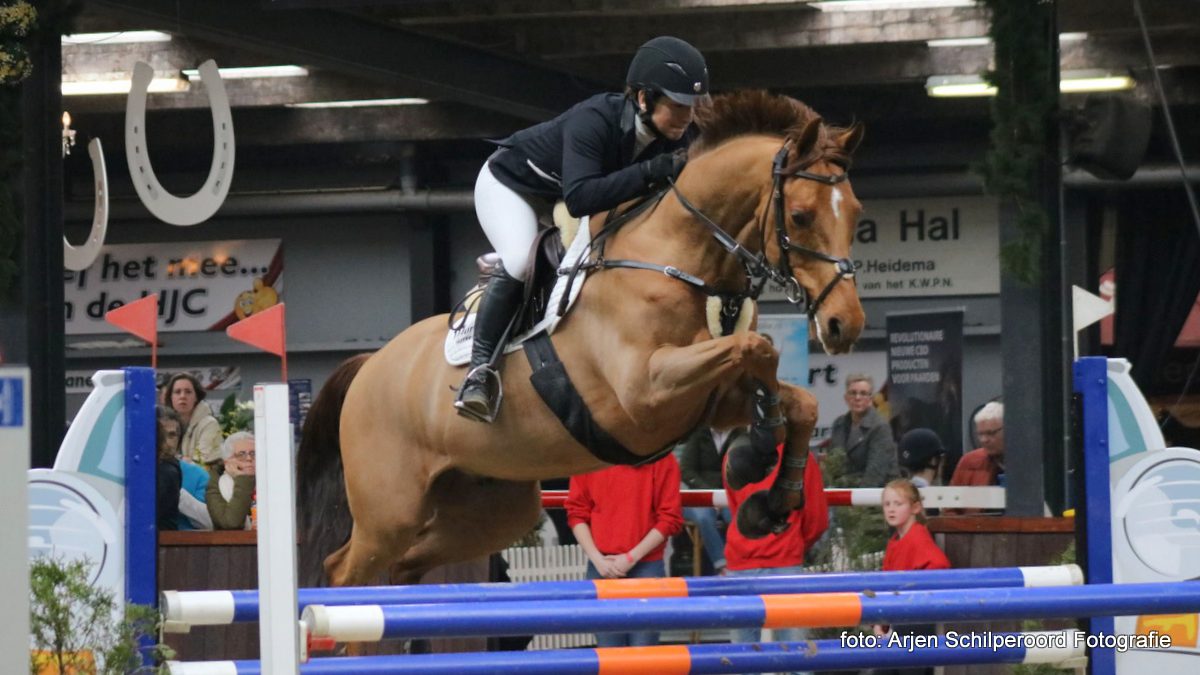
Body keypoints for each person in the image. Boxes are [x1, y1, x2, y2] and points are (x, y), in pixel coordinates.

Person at [455, 36, 710, 422]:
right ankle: (479, 373)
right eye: (677, 105)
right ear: (643, 98)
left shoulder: (678, 137)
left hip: (563, 201)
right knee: (522, 261)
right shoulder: (594, 119)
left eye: (692, 107)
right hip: (513, 187)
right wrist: (649, 172)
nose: (687, 117)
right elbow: (581, 198)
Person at [723, 441, 828, 675]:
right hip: (784, 565)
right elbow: (817, 518)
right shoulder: (801, 458)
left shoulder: (734, 453)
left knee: (742, 660)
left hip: (743, 563)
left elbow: (737, 510)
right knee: (799, 658)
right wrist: (794, 544)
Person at [565, 455, 684, 647]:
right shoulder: (588, 456)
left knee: (638, 657)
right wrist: (600, 559)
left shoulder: (662, 459)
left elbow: (670, 518)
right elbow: (576, 513)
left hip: (629, 565)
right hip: (610, 565)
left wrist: (616, 558)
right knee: (615, 655)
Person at [874, 478, 951, 675]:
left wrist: (913, 597)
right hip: (903, 619)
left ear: (915, 507)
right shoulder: (897, 540)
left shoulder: (917, 537)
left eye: (898, 504)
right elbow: (886, 585)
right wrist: (883, 621)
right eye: (887, 504)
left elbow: (939, 567)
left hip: (915, 622)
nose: (891, 509)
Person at [674, 425, 745, 574]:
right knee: (704, 517)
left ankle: (741, 562)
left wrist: (726, 494)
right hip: (700, 496)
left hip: (730, 494)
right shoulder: (698, 434)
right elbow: (686, 470)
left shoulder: (741, 434)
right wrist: (709, 494)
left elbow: (743, 470)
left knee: (736, 518)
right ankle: (722, 566)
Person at [826, 374, 899, 488]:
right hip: (844, 492)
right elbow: (834, 466)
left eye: (863, 393)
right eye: (853, 393)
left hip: (877, 495)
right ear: (846, 397)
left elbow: (875, 474)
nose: (857, 398)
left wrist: (856, 503)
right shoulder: (839, 424)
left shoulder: (880, 427)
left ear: (870, 399)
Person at [158, 406, 212, 530]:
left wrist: (174, 492)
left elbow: (210, 522)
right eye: (160, 435)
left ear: (180, 439)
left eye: (172, 435)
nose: (165, 442)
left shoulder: (198, 474)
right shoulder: (138, 472)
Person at [162, 373, 222, 465]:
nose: (182, 396)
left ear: (196, 397)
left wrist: (176, 460)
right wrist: (183, 459)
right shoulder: (165, 424)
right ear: (171, 397)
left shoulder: (209, 424)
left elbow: (202, 462)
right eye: (177, 392)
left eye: (188, 392)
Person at [206, 431, 257, 530]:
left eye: (253, 453)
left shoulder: (271, 482)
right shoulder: (215, 484)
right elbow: (231, 523)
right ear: (227, 462)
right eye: (241, 455)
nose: (249, 459)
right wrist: (243, 480)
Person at [949, 402, 1004, 487]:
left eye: (990, 433)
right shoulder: (969, 462)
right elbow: (954, 497)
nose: (983, 440)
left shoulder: (1027, 461)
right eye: (980, 434)